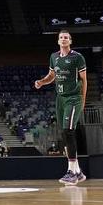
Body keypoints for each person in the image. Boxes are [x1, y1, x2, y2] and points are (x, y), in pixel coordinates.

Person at [34, 30, 87, 186]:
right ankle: (78, 172)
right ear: (58, 41)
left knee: (68, 131)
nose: (63, 39)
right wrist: (42, 82)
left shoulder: (77, 58)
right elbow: (52, 76)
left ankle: (71, 171)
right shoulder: (54, 57)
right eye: (61, 37)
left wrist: (83, 100)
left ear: (70, 41)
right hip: (60, 98)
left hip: (73, 98)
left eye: (66, 37)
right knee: (65, 132)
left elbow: (84, 80)